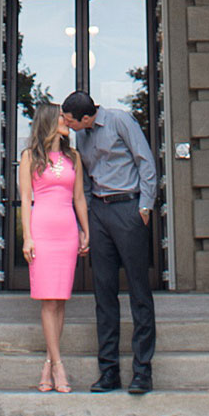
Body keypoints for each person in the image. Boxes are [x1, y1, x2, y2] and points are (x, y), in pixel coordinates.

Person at [60, 88, 157, 395]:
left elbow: (146, 162)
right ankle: (109, 372)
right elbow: (85, 180)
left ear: (86, 117)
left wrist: (145, 207)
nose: (66, 125)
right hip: (99, 213)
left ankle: (142, 372)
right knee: (104, 294)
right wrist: (86, 221)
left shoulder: (120, 121)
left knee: (139, 292)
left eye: (69, 121)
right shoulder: (81, 136)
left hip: (128, 208)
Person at [18, 100, 89, 394]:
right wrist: (27, 237)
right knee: (48, 299)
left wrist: (86, 231)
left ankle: (49, 362)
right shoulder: (29, 157)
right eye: (61, 117)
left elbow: (79, 198)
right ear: (48, 121)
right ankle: (59, 366)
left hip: (67, 230)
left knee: (60, 299)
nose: (67, 121)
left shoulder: (74, 157)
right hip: (43, 230)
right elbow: (25, 199)